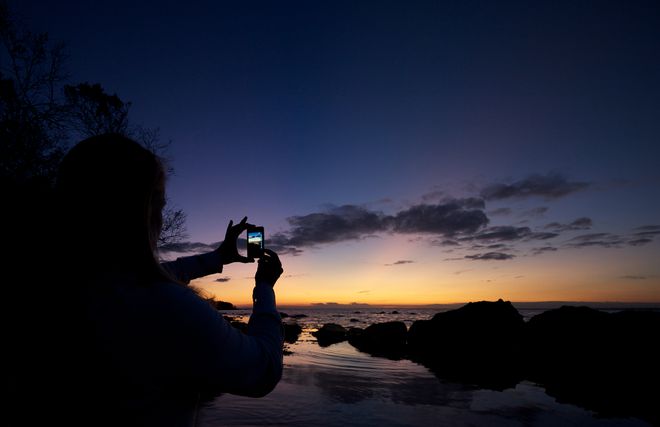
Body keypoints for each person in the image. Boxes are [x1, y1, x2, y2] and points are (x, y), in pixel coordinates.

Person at [12, 134, 284, 427]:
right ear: (141, 211)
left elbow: (157, 272)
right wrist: (265, 289)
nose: (162, 219)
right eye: (160, 205)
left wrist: (218, 257)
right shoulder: (168, 307)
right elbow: (263, 371)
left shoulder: (50, 284)